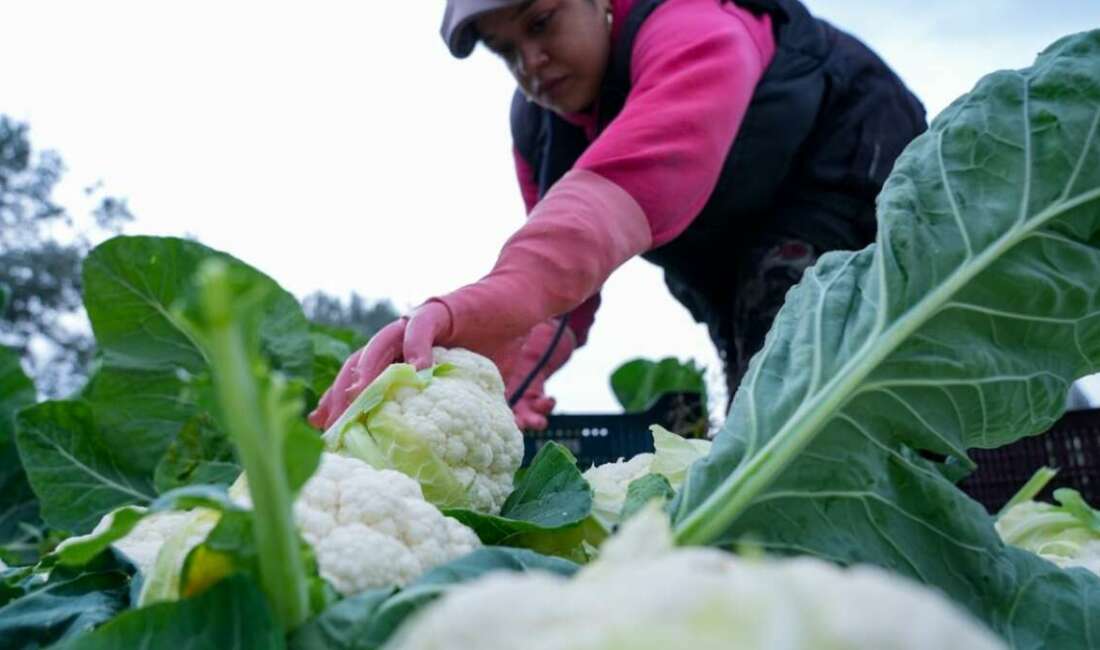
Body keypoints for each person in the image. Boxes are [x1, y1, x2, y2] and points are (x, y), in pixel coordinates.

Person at [309, 0, 926, 432]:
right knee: (756, 384)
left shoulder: (695, 26)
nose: (531, 62)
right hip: (727, 258)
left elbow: (627, 184)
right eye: (506, 51)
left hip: (855, 181)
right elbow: (561, 291)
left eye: (541, 23)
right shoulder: (539, 126)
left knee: (819, 380)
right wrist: (506, 376)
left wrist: (485, 299)